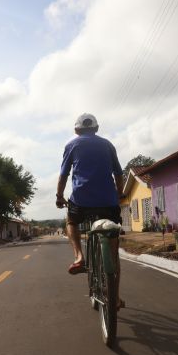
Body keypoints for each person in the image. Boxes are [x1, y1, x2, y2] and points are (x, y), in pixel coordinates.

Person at [55, 113, 124, 276]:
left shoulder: (71, 145)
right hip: (109, 202)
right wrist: (119, 195)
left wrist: (59, 197)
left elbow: (63, 175)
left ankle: (79, 257)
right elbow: (119, 174)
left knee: (71, 221)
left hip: (81, 201)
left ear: (77, 130)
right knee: (114, 256)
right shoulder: (108, 145)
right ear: (97, 128)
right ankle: (115, 298)